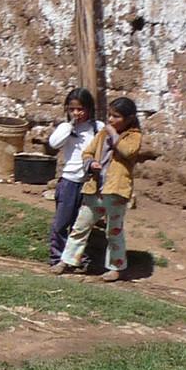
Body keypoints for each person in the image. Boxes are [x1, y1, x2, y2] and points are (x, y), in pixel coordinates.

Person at [53, 96, 144, 282]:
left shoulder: (133, 136)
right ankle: (67, 260)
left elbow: (128, 152)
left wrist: (114, 135)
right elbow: (87, 151)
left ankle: (115, 268)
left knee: (114, 230)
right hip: (95, 188)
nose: (110, 120)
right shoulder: (102, 134)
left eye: (116, 117)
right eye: (109, 116)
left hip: (116, 191)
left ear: (129, 119)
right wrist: (90, 162)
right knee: (80, 226)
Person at [41, 87, 99, 267]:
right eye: (72, 109)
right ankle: (57, 257)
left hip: (89, 182)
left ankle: (79, 259)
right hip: (69, 181)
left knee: (81, 224)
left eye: (80, 109)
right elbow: (54, 143)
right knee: (61, 223)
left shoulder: (97, 128)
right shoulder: (65, 128)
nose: (76, 113)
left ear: (89, 108)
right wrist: (70, 125)